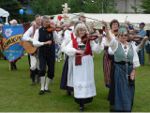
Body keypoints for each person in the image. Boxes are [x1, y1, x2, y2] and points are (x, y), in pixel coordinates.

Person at [63, 22, 103, 111]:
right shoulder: (74, 40)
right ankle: (80, 103)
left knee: (86, 79)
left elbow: (97, 50)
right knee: (79, 80)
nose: (81, 31)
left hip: (88, 64)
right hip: (78, 65)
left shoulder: (89, 39)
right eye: (80, 30)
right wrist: (76, 51)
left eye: (83, 30)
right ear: (77, 31)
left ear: (86, 31)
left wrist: (100, 40)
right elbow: (66, 49)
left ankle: (86, 99)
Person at [105, 24, 140, 112]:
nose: (123, 37)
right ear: (118, 35)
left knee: (129, 91)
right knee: (120, 91)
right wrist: (106, 26)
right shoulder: (115, 44)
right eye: (121, 35)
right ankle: (119, 109)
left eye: (125, 35)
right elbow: (109, 37)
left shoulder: (132, 46)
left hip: (129, 71)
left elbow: (135, 60)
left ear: (127, 36)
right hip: (119, 70)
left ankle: (127, 109)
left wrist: (133, 71)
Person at [33, 16, 58, 95]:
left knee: (51, 71)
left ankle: (46, 87)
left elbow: (57, 40)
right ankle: (42, 88)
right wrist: (44, 43)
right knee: (42, 69)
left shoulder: (52, 30)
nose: (48, 23)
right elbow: (34, 43)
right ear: (43, 22)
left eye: (49, 22)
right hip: (42, 52)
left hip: (51, 52)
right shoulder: (38, 31)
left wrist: (54, 31)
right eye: (47, 22)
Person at [22, 14, 42, 85]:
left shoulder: (43, 27)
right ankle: (33, 80)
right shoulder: (32, 28)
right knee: (33, 65)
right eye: (38, 20)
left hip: (41, 48)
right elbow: (24, 36)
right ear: (35, 20)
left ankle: (38, 79)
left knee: (39, 65)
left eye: (40, 20)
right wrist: (32, 40)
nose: (39, 21)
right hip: (33, 48)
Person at [101, 19, 120, 88]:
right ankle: (110, 86)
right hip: (108, 53)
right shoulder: (107, 32)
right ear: (111, 26)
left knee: (117, 70)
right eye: (114, 25)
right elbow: (107, 39)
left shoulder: (120, 34)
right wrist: (106, 26)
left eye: (117, 25)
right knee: (108, 69)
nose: (115, 26)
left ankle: (116, 87)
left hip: (117, 53)